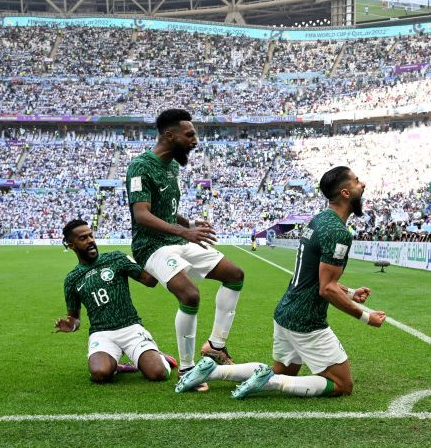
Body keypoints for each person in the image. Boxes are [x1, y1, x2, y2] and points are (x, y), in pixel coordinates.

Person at [176, 166, 386, 398]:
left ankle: (212, 371)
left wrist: (351, 292)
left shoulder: (319, 219)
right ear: (345, 193)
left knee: (282, 371)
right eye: (357, 181)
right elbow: (327, 288)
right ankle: (269, 383)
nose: (362, 184)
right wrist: (367, 317)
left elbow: (315, 277)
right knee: (342, 385)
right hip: (306, 320)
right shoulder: (338, 232)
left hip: (285, 312)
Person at [125, 109, 245, 388]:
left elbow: (166, 210)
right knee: (190, 295)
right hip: (151, 247)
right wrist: (185, 231)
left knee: (234, 274)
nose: (195, 140)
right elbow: (141, 214)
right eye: (190, 134)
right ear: (170, 135)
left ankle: (216, 345)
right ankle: (187, 370)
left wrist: (187, 223)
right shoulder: (140, 166)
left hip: (177, 240)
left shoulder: (173, 167)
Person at [54, 219, 176, 383]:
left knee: (158, 374)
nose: (90, 240)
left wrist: (158, 256)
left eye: (91, 236)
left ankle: (158, 357)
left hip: (131, 328)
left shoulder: (116, 258)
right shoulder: (72, 279)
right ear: (71, 245)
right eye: (83, 238)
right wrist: (71, 324)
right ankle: (116, 366)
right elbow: (74, 317)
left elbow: (150, 281)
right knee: (100, 374)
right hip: (102, 333)